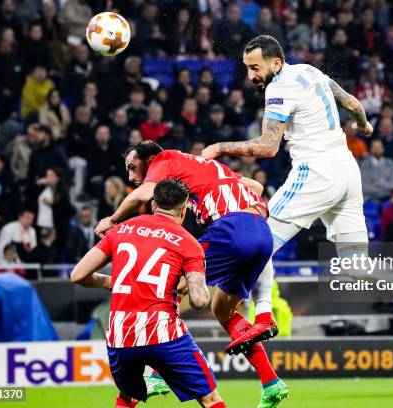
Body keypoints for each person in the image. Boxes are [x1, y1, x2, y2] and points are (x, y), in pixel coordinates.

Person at [201, 35, 393, 348]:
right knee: (354, 265)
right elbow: (353, 103)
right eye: (247, 68)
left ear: (276, 63)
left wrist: (219, 147)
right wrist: (364, 126)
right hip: (348, 173)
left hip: (316, 173)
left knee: (258, 240)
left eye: (255, 68)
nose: (251, 76)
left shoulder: (279, 87)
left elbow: (268, 148)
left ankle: (264, 316)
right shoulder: (311, 72)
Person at [94, 142, 288, 407]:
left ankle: (158, 373)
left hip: (230, 230)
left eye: (132, 167)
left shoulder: (165, 159)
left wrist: (113, 220)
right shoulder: (209, 168)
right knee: (223, 310)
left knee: (170, 283)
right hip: (261, 232)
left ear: (151, 159)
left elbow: (141, 195)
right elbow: (256, 187)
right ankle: (271, 383)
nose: (131, 176)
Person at [72, 179, 225, 408]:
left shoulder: (121, 229)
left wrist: (107, 282)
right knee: (210, 399)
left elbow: (77, 275)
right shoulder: (188, 243)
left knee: (126, 397)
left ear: (154, 205)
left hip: (120, 334)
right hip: (162, 333)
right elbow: (199, 300)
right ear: (184, 210)